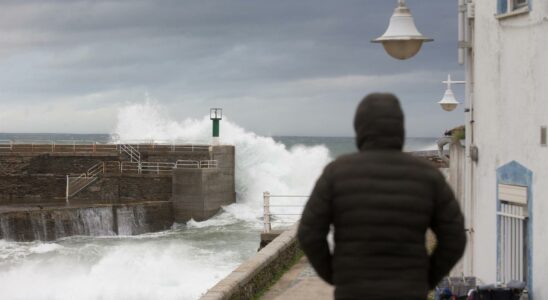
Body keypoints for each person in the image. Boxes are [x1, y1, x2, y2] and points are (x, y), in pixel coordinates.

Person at [297, 93, 467, 300]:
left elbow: (308, 233)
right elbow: (455, 237)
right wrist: (425, 279)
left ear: (360, 128)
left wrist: (336, 275)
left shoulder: (336, 173)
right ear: (400, 128)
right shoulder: (427, 174)